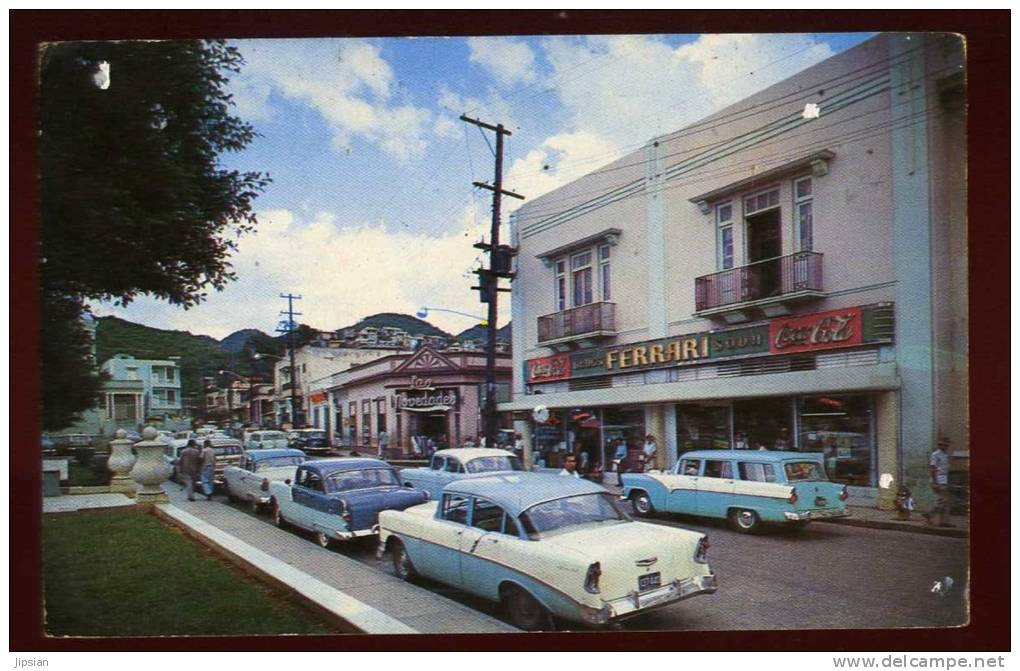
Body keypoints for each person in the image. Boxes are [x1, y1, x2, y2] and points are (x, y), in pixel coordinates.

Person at [923, 437, 953, 527]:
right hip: (938, 480)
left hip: (944, 480)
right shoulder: (935, 455)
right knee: (943, 500)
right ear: (939, 445)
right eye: (942, 444)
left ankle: (944, 521)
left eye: (946, 445)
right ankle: (929, 513)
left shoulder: (946, 455)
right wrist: (935, 483)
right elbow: (932, 469)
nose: (945, 446)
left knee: (945, 501)